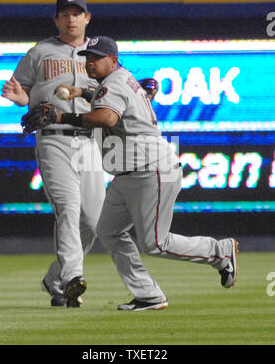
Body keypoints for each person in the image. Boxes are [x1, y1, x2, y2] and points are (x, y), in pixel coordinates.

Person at [25, 36, 239, 311]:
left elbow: (106, 118)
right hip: (128, 174)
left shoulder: (112, 83)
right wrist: (82, 94)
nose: (90, 63)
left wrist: (61, 117)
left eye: (96, 58)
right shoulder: (117, 81)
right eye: (88, 58)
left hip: (151, 170)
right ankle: (148, 294)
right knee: (108, 231)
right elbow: (111, 103)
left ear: (113, 60)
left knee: (155, 243)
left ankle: (218, 253)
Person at [1, 0, 106, 308]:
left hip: (90, 140)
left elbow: (112, 93)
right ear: (56, 19)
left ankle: (55, 278)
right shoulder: (40, 52)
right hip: (53, 139)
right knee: (68, 208)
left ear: (87, 18)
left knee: (94, 220)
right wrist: (23, 99)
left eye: (77, 13)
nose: (71, 19)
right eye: (65, 13)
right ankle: (73, 279)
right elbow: (20, 90)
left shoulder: (101, 53)